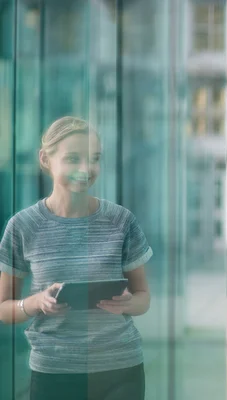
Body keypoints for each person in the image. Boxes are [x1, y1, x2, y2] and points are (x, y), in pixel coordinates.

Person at [0, 116, 153, 400]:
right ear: (45, 159)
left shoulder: (121, 220)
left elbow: (143, 297)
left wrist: (128, 303)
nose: (86, 169)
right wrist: (36, 302)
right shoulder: (22, 227)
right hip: (54, 372)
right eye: (73, 158)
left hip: (120, 369)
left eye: (94, 159)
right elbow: (4, 309)